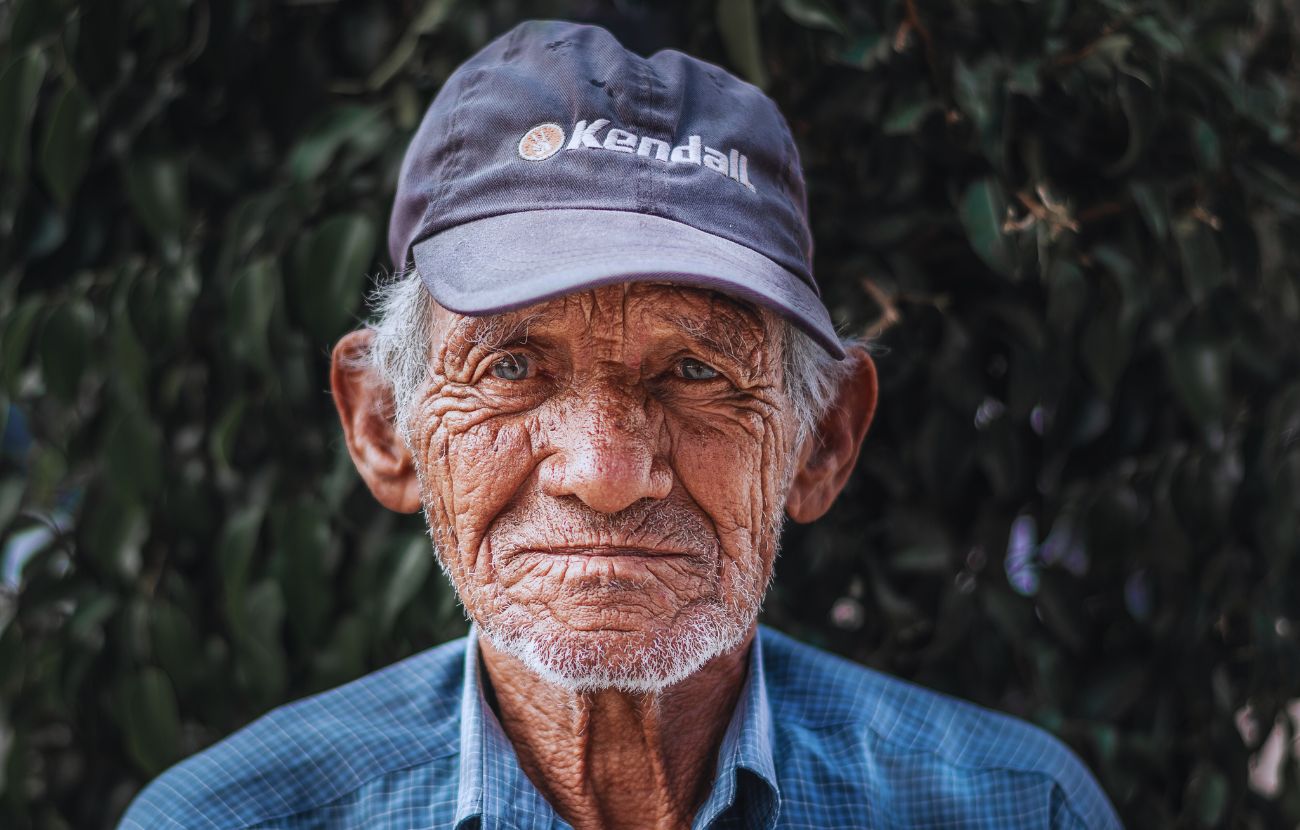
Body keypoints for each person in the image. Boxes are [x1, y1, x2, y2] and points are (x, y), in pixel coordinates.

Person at [119, 20, 1122, 830]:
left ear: (820, 442)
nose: (603, 470)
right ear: (386, 424)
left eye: (694, 370)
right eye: (511, 365)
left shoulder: (1015, 807)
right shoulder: (226, 819)